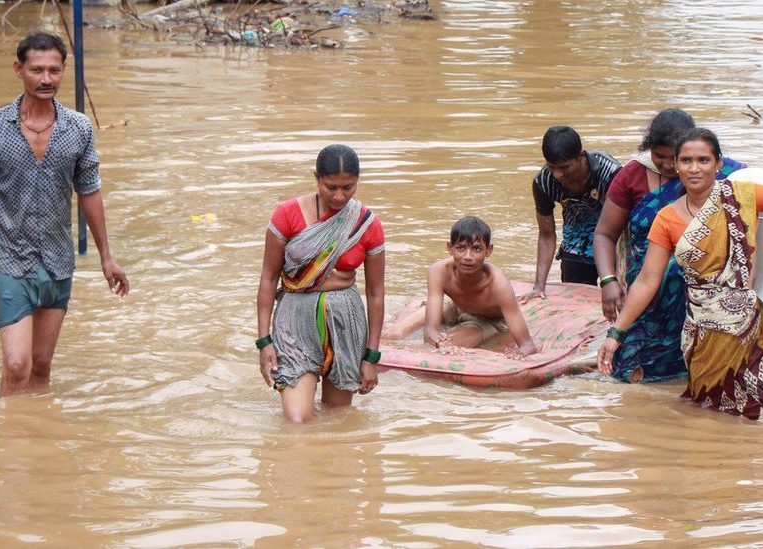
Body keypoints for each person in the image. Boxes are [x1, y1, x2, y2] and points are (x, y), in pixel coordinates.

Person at [598, 128, 763, 422]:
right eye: (686, 160)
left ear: (718, 164)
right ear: (676, 165)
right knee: (715, 417)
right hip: (705, 340)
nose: (694, 168)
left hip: (758, 331)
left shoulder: (745, 196)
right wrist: (615, 333)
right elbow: (647, 282)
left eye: (703, 160)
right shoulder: (667, 219)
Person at [0, 32, 130, 398]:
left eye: (54, 70)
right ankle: (12, 446)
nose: (46, 79)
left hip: (58, 260)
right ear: (18, 70)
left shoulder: (78, 128)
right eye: (37, 70)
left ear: (63, 71)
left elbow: (89, 190)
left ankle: (35, 438)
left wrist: (107, 257)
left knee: (40, 366)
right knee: (16, 364)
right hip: (11, 260)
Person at [593, 109, 744, 383]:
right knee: (630, 372)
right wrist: (608, 280)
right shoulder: (632, 176)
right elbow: (604, 233)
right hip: (648, 296)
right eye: (658, 156)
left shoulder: (729, 175)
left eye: (672, 157)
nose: (666, 165)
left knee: (705, 373)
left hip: (705, 297)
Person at [256, 144, 385, 423]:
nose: (339, 196)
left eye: (348, 188)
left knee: (338, 418)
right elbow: (268, 279)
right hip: (294, 321)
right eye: (331, 187)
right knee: (297, 419)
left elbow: (376, 293)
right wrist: (264, 341)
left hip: (345, 323)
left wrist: (371, 357)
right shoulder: (286, 214)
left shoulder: (366, 223)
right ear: (316, 178)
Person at [384, 217, 537, 358]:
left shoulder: (498, 283)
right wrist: (439, 340)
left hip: (487, 320)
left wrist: (518, 354)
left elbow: (527, 345)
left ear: (488, 251)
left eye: (477, 249)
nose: (468, 257)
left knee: (448, 349)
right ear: (450, 248)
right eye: (461, 248)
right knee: (392, 335)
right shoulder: (439, 271)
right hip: (455, 307)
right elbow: (431, 330)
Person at [528, 126, 621, 299]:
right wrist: (539, 286)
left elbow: (621, 227)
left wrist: (615, 279)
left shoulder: (610, 173)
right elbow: (547, 235)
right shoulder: (543, 181)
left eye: (564, 167)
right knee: (574, 301)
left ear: (581, 155)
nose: (557, 174)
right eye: (551, 167)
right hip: (577, 243)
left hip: (613, 239)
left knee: (618, 296)